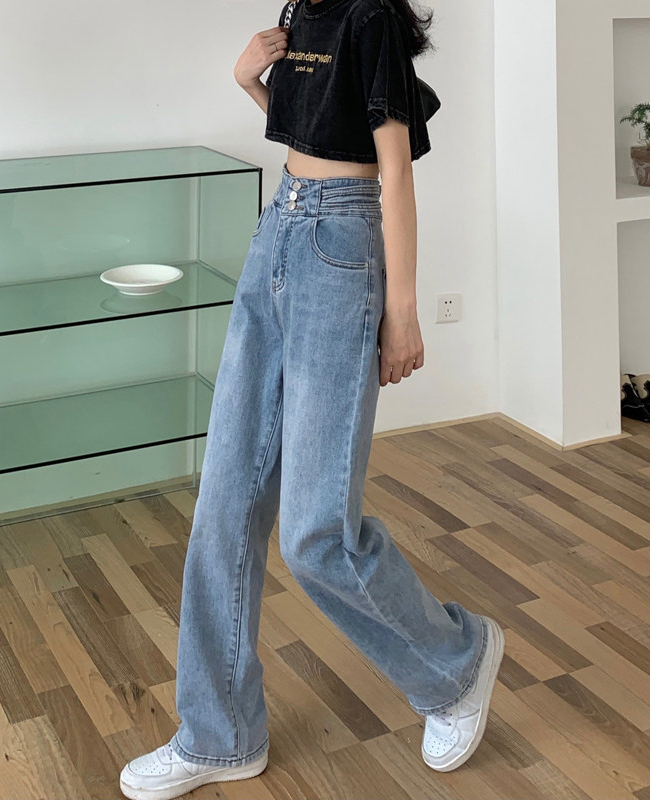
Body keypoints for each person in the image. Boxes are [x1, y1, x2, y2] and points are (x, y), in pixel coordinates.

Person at [119, 1, 504, 798]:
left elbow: (393, 170)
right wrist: (248, 83)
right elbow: (316, 131)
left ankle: (457, 662)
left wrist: (403, 312)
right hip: (280, 230)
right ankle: (219, 736)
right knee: (224, 505)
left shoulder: (369, 17)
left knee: (316, 533)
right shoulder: (303, 9)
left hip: (342, 246)